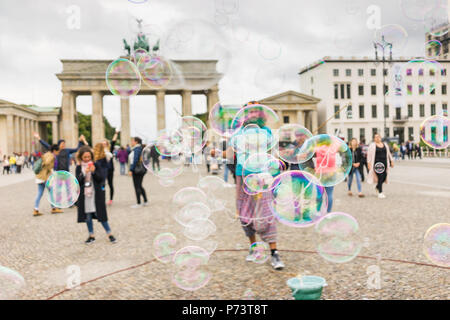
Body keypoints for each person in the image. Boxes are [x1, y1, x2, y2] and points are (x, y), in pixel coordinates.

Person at [231, 102, 284, 270]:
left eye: (255, 111)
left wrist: (276, 164)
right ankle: (253, 247)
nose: (252, 114)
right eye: (249, 111)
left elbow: (271, 153)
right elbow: (231, 153)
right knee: (244, 212)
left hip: (261, 174)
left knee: (267, 211)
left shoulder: (267, 132)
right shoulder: (238, 133)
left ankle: (274, 252)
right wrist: (216, 153)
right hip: (242, 173)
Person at [75, 145, 116, 244]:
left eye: (89, 157)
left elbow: (101, 178)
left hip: (96, 194)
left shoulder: (96, 165)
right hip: (85, 195)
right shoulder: (79, 167)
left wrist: (93, 172)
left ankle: (109, 233)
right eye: (85, 157)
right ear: (81, 157)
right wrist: (84, 173)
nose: (87, 159)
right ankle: (91, 235)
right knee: (88, 215)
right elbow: (77, 181)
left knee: (100, 214)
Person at [33, 145, 59, 216]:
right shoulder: (51, 156)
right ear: (54, 151)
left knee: (40, 193)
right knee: (51, 192)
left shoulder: (46, 154)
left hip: (39, 177)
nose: (58, 152)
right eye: (58, 151)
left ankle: (36, 209)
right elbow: (47, 163)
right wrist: (49, 167)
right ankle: (53, 208)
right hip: (45, 177)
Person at [367, 133, 394, 199]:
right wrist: (369, 163)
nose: (377, 138)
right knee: (380, 176)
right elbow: (369, 155)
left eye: (378, 137)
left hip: (384, 163)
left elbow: (389, 154)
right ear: (374, 138)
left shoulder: (385, 145)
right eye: (376, 137)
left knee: (384, 176)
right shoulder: (372, 145)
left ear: (380, 138)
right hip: (377, 164)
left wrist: (391, 161)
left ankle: (377, 187)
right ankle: (380, 192)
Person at [129, 137, 149, 208]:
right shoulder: (140, 148)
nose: (131, 142)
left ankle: (138, 203)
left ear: (136, 142)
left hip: (137, 170)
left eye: (132, 141)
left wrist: (131, 169)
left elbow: (135, 160)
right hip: (141, 169)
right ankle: (146, 201)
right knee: (140, 185)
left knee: (137, 186)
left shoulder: (137, 149)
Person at [103, 132, 118, 206]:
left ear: (107, 144)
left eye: (105, 143)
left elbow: (113, 142)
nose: (104, 145)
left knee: (110, 184)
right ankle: (102, 198)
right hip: (102, 169)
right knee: (102, 184)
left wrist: (116, 133)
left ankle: (111, 199)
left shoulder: (110, 150)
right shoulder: (100, 151)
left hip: (110, 169)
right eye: (103, 144)